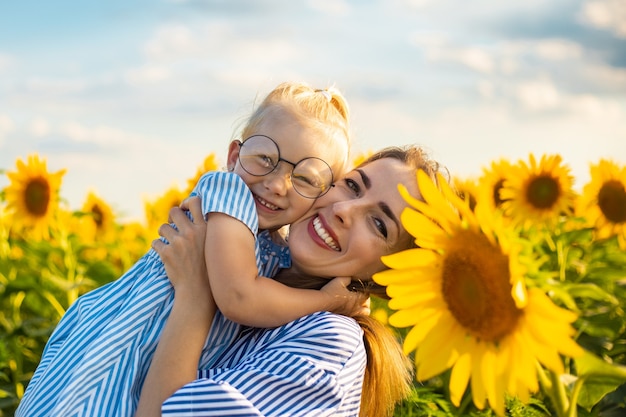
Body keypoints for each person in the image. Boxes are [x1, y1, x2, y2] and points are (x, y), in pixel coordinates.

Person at [16, 81, 362, 417]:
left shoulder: (276, 249)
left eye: (304, 178)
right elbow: (239, 297)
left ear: (323, 194)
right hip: (121, 353)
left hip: (156, 364)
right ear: (234, 155)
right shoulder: (227, 196)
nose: (275, 184)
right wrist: (329, 300)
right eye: (264, 158)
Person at [136, 146, 447, 417]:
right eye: (352, 185)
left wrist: (195, 295)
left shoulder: (332, 343)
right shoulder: (250, 268)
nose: (343, 210)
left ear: (388, 277)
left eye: (379, 224)